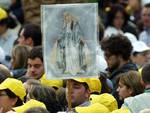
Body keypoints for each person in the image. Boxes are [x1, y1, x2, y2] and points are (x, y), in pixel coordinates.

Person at [101, 35, 138, 107]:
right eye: (104, 55)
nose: (105, 58)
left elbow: (112, 102)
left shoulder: (127, 77)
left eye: (108, 55)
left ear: (120, 56)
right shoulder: (111, 72)